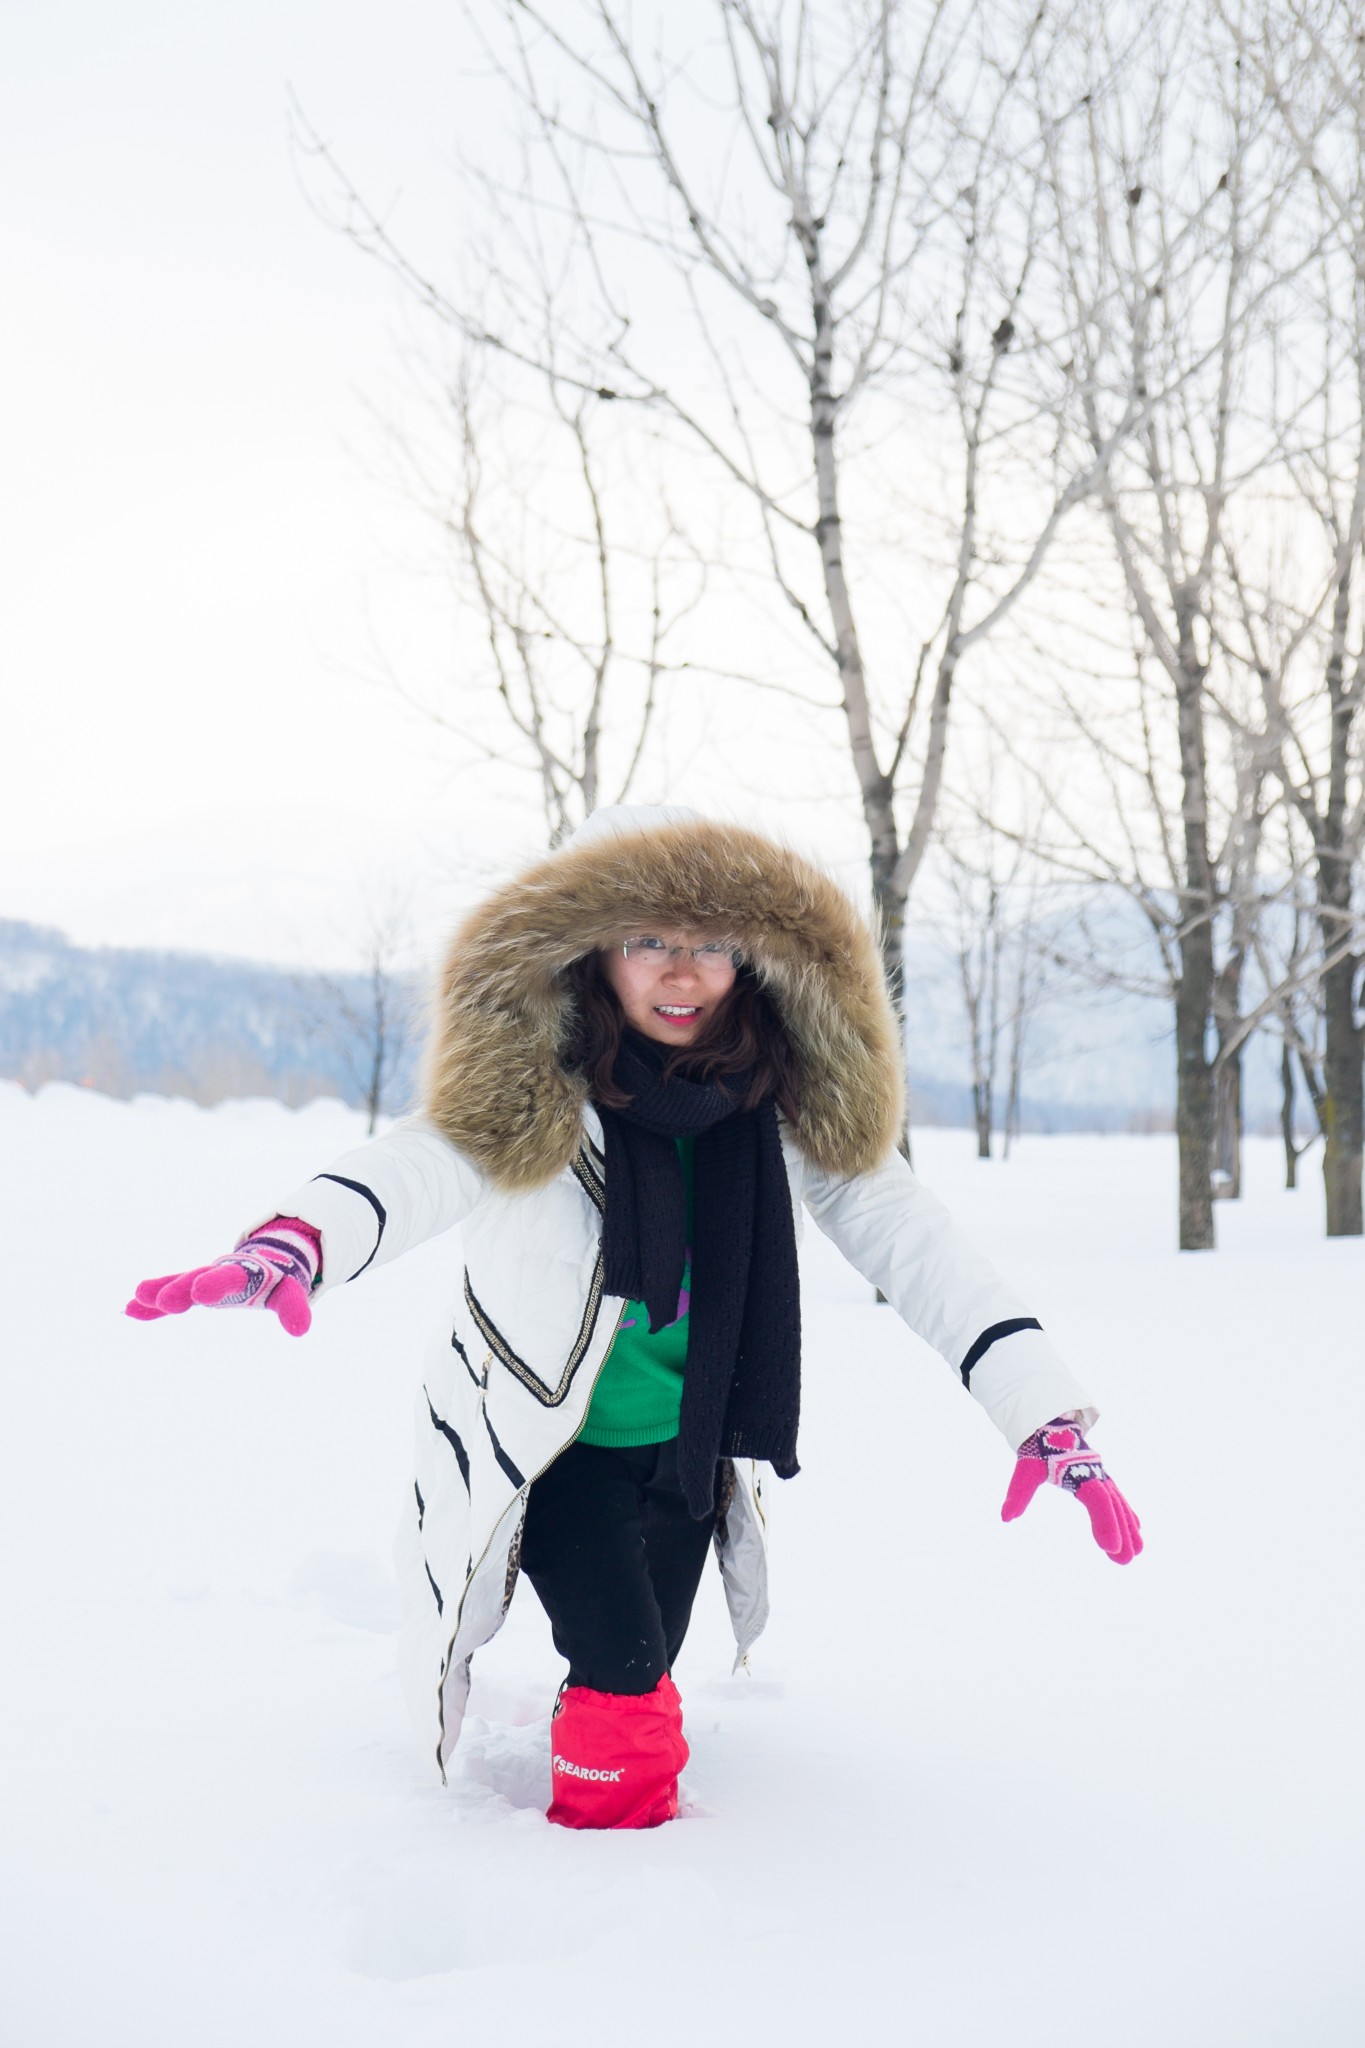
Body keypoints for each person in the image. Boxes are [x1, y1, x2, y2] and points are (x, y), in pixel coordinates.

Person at [127, 807, 1141, 1831]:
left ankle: (611, 1791)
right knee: (625, 1687)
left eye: (711, 945)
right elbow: (421, 1161)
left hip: (694, 1447)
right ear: (594, 951)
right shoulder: (537, 1098)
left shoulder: (776, 1108)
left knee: (642, 1649)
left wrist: (1039, 1407)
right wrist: (296, 1238)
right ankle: (605, 1888)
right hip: (556, 1446)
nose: (681, 972)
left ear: (755, 962)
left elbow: (920, 1243)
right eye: (649, 940)